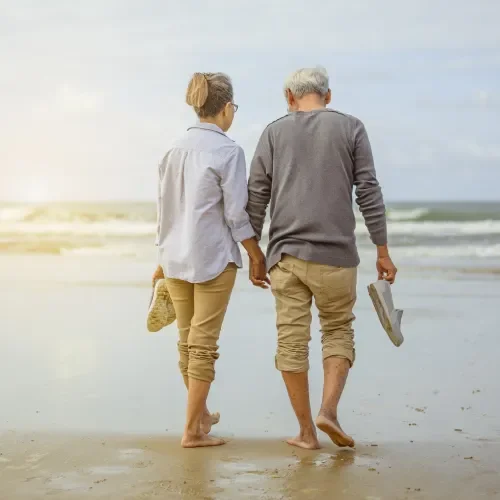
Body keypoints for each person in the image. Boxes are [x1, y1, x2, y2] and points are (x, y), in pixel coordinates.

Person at [246, 66, 398, 450]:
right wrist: (382, 249)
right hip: (336, 257)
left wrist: (254, 253)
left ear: (289, 97)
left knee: (292, 342)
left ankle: (306, 432)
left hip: (286, 257)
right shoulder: (351, 128)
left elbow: (256, 196)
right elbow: (368, 191)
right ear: (328, 96)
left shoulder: (273, 132)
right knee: (337, 331)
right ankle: (328, 411)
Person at [152, 72, 268, 448]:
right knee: (203, 345)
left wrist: (160, 258)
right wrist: (254, 253)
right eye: (233, 107)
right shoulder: (228, 151)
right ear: (226, 108)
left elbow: (163, 211)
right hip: (213, 257)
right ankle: (191, 432)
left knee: (187, 342)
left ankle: (199, 418)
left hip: (174, 258)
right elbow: (236, 214)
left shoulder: (172, 149)